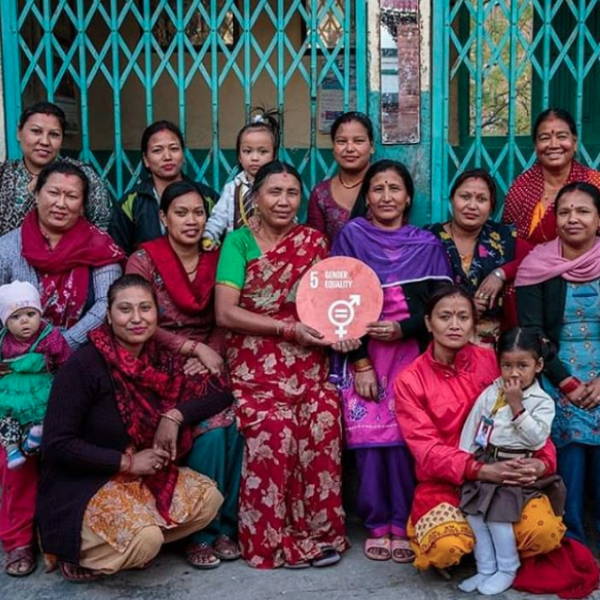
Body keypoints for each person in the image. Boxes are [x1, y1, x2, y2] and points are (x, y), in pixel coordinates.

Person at [37, 274, 234, 581]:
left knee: (209, 499)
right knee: (147, 542)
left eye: (145, 308)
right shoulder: (84, 366)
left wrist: (174, 415)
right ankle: (79, 553)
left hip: (141, 482)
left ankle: (128, 539)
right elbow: (57, 444)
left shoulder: (160, 357)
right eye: (125, 309)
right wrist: (127, 461)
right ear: (109, 315)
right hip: (86, 485)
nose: (136, 319)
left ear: (158, 314)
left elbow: (220, 390)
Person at [215, 160, 348, 568]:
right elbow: (225, 312)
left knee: (323, 415)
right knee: (274, 429)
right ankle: (271, 540)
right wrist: (285, 330)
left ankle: (321, 534)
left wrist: (347, 331)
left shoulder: (313, 242)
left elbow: (328, 306)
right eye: (274, 192)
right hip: (255, 361)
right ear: (255, 197)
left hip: (308, 361)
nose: (284, 201)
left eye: (292, 193)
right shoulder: (237, 243)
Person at [0, 161, 123, 577]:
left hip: (81, 362)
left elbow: (109, 304)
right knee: (16, 454)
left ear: (84, 203)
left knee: (78, 445)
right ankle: (17, 539)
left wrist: (65, 344)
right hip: (19, 372)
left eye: (72, 196)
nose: (61, 203)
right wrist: (23, 355)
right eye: (54, 193)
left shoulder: (99, 245)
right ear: (36, 193)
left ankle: (65, 535)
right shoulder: (8, 248)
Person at [393, 285, 565, 575]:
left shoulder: (493, 363)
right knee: (446, 547)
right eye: (445, 316)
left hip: (505, 479)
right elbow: (426, 450)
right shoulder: (411, 380)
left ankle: (491, 548)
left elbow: (532, 414)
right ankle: (447, 536)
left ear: (474, 324)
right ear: (428, 323)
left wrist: (542, 461)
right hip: (445, 483)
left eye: (463, 316)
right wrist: (479, 470)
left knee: (543, 533)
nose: (455, 325)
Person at [330, 160, 451, 562]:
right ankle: (376, 523)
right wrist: (361, 362)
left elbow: (441, 306)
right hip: (363, 356)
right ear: (366, 198)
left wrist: (403, 328)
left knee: (403, 443)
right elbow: (338, 302)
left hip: (411, 355)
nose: (386, 196)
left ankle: (402, 522)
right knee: (367, 443)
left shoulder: (426, 245)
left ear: (408, 198)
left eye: (394, 188)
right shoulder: (352, 237)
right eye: (378, 188)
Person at [126, 180, 242, 568]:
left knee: (232, 423)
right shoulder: (144, 259)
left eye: (198, 213)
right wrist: (190, 347)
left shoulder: (218, 256)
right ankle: (200, 532)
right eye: (181, 213)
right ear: (163, 217)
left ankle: (226, 526)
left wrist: (210, 351)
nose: (191, 221)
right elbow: (137, 317)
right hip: (157, 360)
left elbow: (226, 315)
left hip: (210, 358)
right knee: (208, 429)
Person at [515, 181, 600, 545]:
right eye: (564, 212)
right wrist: (567, 382)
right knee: (572, 439)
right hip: (557, 370)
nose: (572, 219)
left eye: (582, 211)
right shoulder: (538, 265)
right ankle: (574, 536)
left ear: (598, 219)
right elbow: (534, 334)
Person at [457, 327, 564, 595]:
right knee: (475, 517)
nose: (514, 373)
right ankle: (485, 568)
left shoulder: (542, 401)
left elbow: (538, 440)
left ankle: (507, 568)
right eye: (507, 365)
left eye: (522, 365)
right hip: (487, 463)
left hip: (515, 468)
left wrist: (517, 406)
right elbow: (475, 423)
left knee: (498, 520)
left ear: (538, 365)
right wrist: (465, 458)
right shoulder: (492, 392)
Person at [428, 169, 532, 344]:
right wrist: (465, 307)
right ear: (452, 200)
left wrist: (501, 273)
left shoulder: (504, 238)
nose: (472, 206)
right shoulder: (429, 239)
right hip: (441, 341)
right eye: (465, 197)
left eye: (481, 199)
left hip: (493, 346)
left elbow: (538, 258)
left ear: (491, 207)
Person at [0, 101, 112, 235]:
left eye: (54, 134)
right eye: (36, 131)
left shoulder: (83, 175)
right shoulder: (4, 174)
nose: (44, 142)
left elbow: (103, 227)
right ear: (19, 133)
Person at [109, 120, 218, 255]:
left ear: (183, 155)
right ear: (146, 159)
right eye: (157, 150)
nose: (167, 157)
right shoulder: (131, 203)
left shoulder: (207, 197)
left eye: (174, 149)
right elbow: (117, 252)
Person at [0, 281, 71, 469]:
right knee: (6, 419)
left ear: (40, 313)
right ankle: (12, 449)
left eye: (30, 314)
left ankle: (32, 440)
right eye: (15, 317)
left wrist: (63, 382)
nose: (24, 321)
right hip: (11, 392)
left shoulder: (49, 336)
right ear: (5, 322)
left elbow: (64, 359)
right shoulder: (3, 340)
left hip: (41, 388)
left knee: (43, 417)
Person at [503, 108, 600, 245]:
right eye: (545, 138)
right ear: (536, 146)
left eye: (561, 136)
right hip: (530, 264)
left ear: (574, 143)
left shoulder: (594, 182)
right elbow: (508, 241)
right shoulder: (521, 187)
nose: (554, 145)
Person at [202, 108, 279, 248]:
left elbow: (288, 218)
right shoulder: (232, 188)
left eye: (263, 152)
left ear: (274, 156)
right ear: (239, 156)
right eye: (247, 151)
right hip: (238, 249)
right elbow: (218, 218)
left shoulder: (279, 187)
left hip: (270, 249)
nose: (255, 158)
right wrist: (209, 236)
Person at [307, 111, 374, 242]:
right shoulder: (321, 194)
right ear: (333, 147)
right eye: (341, 141)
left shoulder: (385, 188)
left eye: (358, 141)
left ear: (371, 146)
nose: (349, 148)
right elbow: (315, 245)